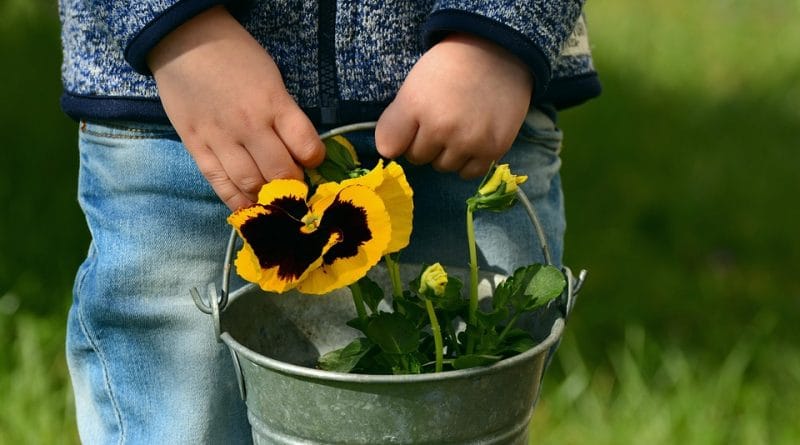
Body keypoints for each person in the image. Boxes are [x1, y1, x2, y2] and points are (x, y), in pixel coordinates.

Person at [59, 1, 600, 442]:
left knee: (468, 404)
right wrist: (178, 29)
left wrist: (501, 28)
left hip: (473, 97)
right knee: (179, 419)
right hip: (186, 101)